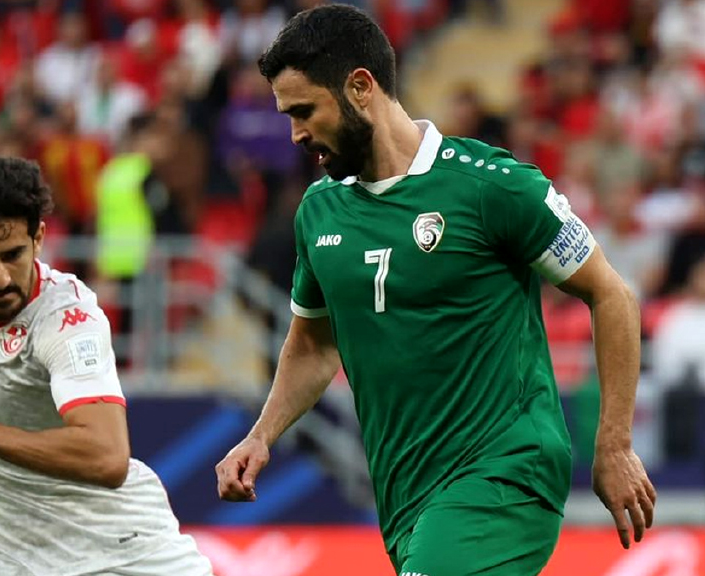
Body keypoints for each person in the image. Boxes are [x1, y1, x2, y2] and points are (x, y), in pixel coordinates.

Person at [214, 5, 656, 576]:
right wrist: (261, 436)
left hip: (503, 474)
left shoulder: (491, 187)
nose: (296, 134)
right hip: (406, 497)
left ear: (360, 87)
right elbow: (314, 345)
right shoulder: (319, 213)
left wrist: (614, 444)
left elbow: (612, 295)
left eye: (304, 111)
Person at [0, 157, 214, 576]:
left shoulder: (66, 319)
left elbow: (107, 456)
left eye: (12, 255)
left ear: (38, 238)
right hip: (17, 564)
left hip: (124, 557)